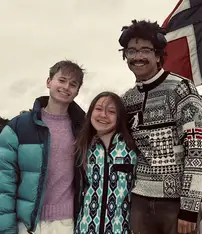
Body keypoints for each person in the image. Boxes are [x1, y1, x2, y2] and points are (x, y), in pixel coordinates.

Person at [120, 20, 202, 234]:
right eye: (131, 51)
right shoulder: (127, 99)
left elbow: (198, 150)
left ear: (159, 55)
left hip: (175, 204)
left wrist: (189, 209)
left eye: (145, 50)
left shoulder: (181, 89)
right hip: (139, 202)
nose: (137, 56)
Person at [0, 60, 86, 234]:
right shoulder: (18, 127)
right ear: (49, 82)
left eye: (73, 84)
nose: (66, 87)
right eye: (61, 80)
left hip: (68, 223)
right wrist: (7, 228)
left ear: (77, 92)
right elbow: (3, 183)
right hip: (27, 224)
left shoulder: (83, 129)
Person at [74, 92, 138, 234]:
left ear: (119, 117)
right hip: (86, 228)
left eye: (111, 111)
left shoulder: (132, 148)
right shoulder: (84, 147)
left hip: (120, 228)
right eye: (98, 109)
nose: (103, 115)